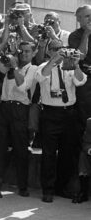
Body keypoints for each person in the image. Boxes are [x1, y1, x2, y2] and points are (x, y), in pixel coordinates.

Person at [34, 40, 87, 203]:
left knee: (67, 153)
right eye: (55, 49)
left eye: (62, 49)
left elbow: (81, 81)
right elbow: (41, 76)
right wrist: (53, 60)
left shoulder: (70, 65)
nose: (60, 51)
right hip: (50, 113)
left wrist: (76, 64)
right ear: (49, 51)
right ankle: (47, 189)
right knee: (49, 154)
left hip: (68, 114)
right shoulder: (43, 65)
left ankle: (61, 187)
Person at [0, 38, 37, 198]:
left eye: (27, 51)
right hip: (4, 109)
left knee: (20, 149)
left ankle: (22, 186)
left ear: (33, 53)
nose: (24, 54)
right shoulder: (8, 64)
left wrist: (15, 67)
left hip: (20, 109)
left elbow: (23, 86)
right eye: (21, 51)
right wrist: (5, 45)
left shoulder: (34, 68)